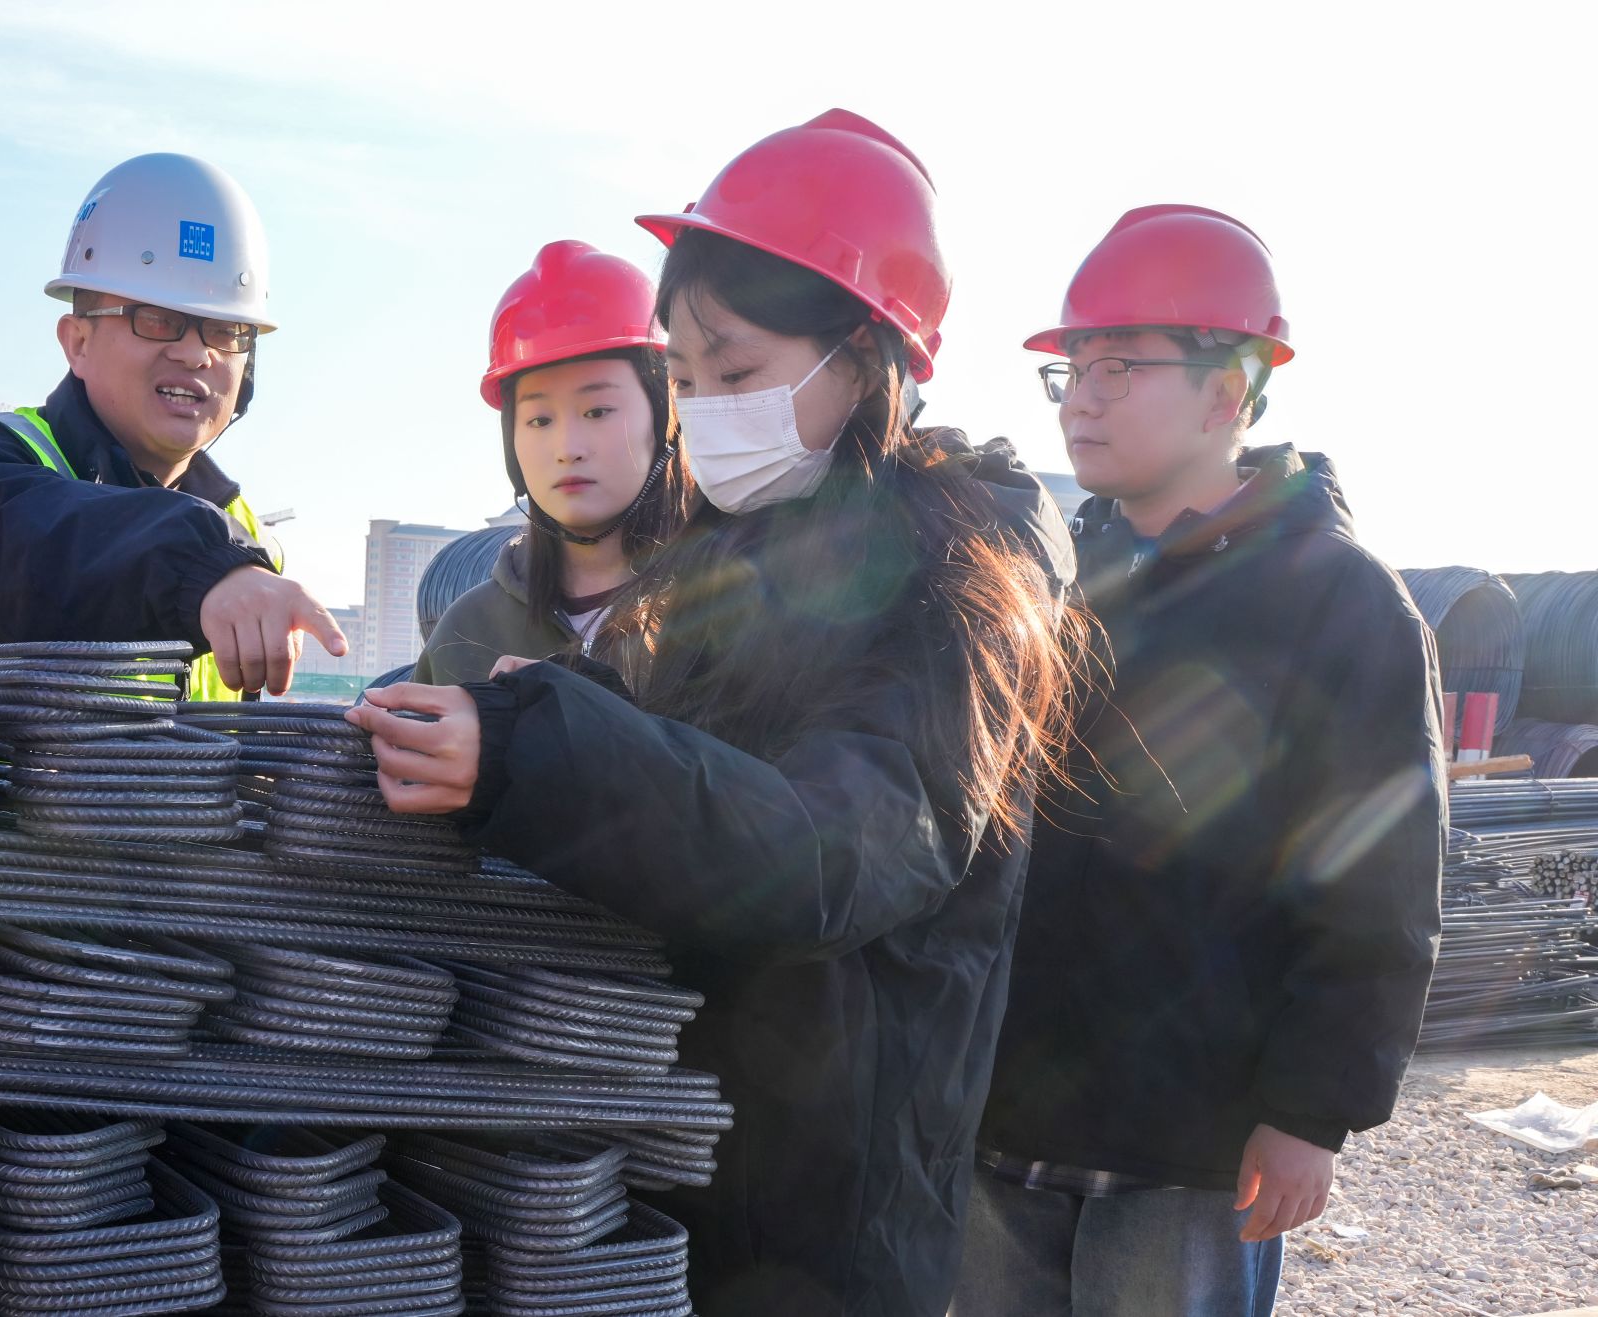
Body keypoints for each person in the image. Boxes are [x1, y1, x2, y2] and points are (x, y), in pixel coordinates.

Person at [346, 109, 1090, 1316]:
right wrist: (535, 716)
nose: (704, 411)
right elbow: (693, 781)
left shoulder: (959, 574)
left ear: (865, 354)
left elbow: (829, 853)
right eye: (685, 380)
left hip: (828, 1207)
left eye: (735, 373)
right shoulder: (734, 562)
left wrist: (537, 749)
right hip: (690, 1154)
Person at [956, 206, 1444, 1317]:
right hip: (1008, 1109)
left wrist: (1310, 1110)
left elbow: (1377, 879)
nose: (1080, 398)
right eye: (1071, 369)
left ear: (1226, 394)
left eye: (1119, 367)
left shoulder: (1336, 598)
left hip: (1189, 1137)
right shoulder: (1057, 581)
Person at [0, 152, 346, 698]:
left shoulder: (248, 541)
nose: (196, 354)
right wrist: (204, 568)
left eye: (225, 331)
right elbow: (34, 548)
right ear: (77, 342)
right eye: (158, 320)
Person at [414, 240, 688, 686]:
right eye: (539, 420)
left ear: (664, 419)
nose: (567, 448)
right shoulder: (469, 630)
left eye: (597, 411)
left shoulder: (730, 607)